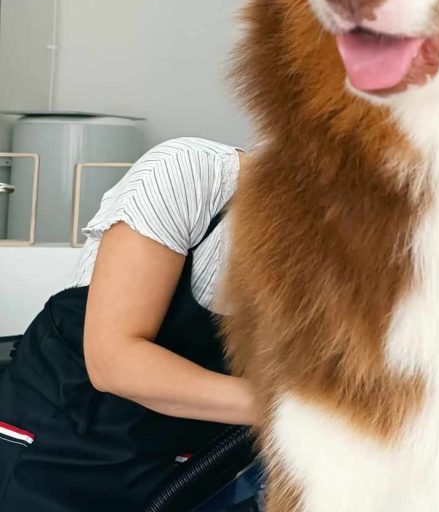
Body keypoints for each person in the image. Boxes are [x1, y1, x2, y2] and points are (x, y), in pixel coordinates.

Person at [0, 137, 260, 511]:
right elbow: (115, 362)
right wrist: (299, 408)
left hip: (185, 470)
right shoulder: (189, 173)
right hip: (64, 456)